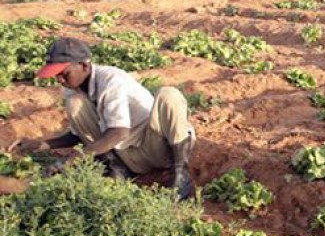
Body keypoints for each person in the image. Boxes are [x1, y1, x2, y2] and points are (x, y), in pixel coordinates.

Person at [18, 37, 196, 200]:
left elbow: (119, 132)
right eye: (56, 75)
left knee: (168, 95)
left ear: (84, 66)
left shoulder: (111, 80)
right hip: (129, 157)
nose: (60, 80)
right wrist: (43, 144)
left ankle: (181, 175)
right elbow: (79, 134)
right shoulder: (73, 90)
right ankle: (118, 169)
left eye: (64, 74)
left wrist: (74, 158)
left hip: (157, 148)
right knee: (75, 104)